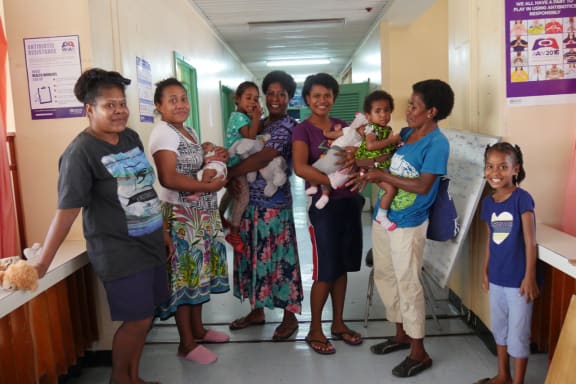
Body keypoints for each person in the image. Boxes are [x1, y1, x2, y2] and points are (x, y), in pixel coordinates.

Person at [32, 68, 168, 384]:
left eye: (122, 103)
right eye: (110, 105)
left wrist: (161, 231)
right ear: (90, 109)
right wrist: (43, 262)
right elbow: (66, 211)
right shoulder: (81, 153)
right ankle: (120, 380)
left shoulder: (130, 137)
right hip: (118, 250)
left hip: (149, 243)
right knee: (137, 319)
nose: (119, 111)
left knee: (146, 318)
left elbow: (145, 189)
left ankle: (134, 378)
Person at [360, 79, 454, 377]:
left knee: (407, 282)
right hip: (384, 217)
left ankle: (419, 351)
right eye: (409, 104)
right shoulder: (409, 134)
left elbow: (423, 185)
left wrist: (380, 174)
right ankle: (400, 334)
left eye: (414, 105)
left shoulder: (437, 143)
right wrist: (371, 167)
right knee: (387, 276)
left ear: (432, 111)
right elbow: (391, 164)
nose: (408, 110)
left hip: (409, 223)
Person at [149, 77, 229, 365]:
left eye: (183, 98)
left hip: (201, 213)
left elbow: (199, 164)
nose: (181, 104)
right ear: (159, 106)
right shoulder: (163, 133)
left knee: (200, 273)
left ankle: (198, 330)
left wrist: (213, 157)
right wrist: (209, 187)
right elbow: (168, 178)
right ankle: (186, 343)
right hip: (181, 215)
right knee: (185, 276)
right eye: (172, 100)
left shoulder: (188, 130)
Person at [226, 70, 303, 341]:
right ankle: (256, 310)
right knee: (252, 258)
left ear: (289, 97)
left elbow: (263, 158)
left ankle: (289, 317)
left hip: (275, 207)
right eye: (270, 93)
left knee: (280, 261)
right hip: (250, 206)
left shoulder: (289, 127)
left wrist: (229, 174)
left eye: (281, 94)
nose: (275, 98)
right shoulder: (257, 123)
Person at [292, 73, 364, 355]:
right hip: (324, 208)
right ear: (307, 99)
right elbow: (300, 167)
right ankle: (315, 329)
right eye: (316, 95)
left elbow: (358, 157)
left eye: (327, 95)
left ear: (334, 97)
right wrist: (329, 182)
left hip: (349, 202)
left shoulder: (344, 127)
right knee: (325, 269)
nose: (322, 100)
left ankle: (338, 323)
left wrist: (360, 172)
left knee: (343, 267)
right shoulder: (303, 130)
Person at [474, 142, 539, 384]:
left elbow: (530, 241)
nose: (495, 172)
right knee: (499, 329)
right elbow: (492, 238)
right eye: (490, 166)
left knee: (518, 334)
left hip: (519, 281)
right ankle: (504, 375)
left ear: (515, 169)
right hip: (497, 278)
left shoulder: (523, 199)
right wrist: (485, 269)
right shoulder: (489, 203)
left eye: (503, 166)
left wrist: (529, 276)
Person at [220, 81, 263, 253]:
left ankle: (219, 214)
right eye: (248, 98)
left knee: (231, 192)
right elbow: (251, 137)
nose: (252, 102)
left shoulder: (240, 116)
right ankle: (234, 232)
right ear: (237, 99)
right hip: (238, 163)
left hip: (235, 161)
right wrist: (257, 118)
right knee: (243, 196)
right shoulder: (239, 118)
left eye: (256, 99)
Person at [354, 90, 402, 230]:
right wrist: (390, 140)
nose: (383, 114)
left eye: (387, 110)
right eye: (378, 111)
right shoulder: (371, 129)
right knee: (391, 189)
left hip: (379, 163)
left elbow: (387, 146)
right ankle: (382, 216)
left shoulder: (387, 129)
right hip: (370, 163)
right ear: (368, 116)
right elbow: (370, 146)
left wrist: (395, 143)